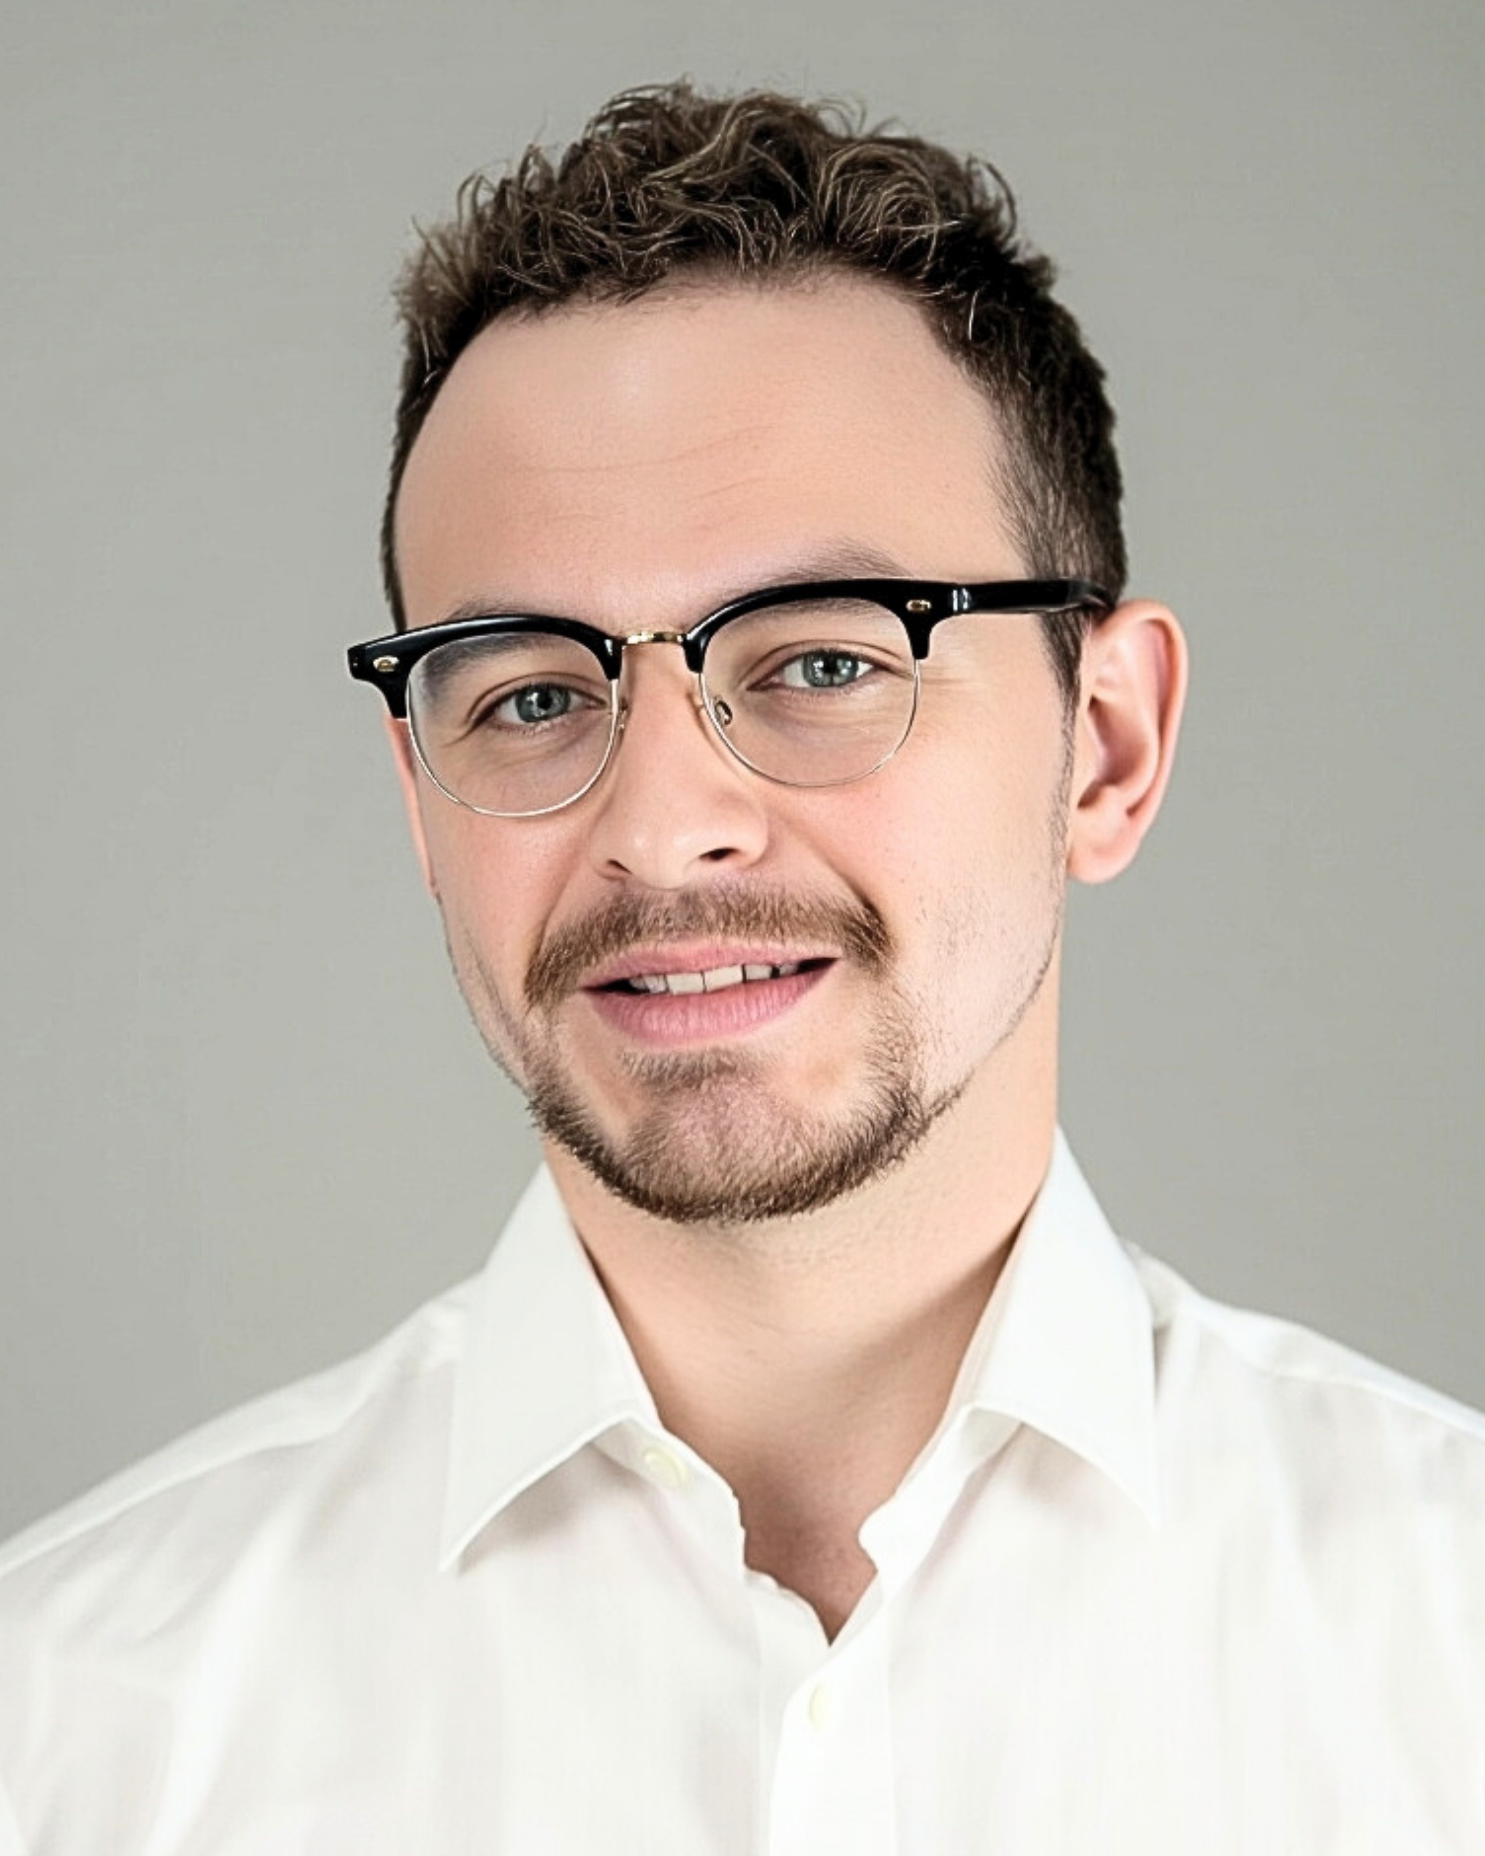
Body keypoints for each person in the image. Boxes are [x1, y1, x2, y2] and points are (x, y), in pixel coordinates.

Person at [1, 81, 1481, 1855]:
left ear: (1106, 744)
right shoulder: (68, 1725)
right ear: (421, 800)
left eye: (823, 662)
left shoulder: (1447, 1651)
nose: (663, 822)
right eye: (533, 695)